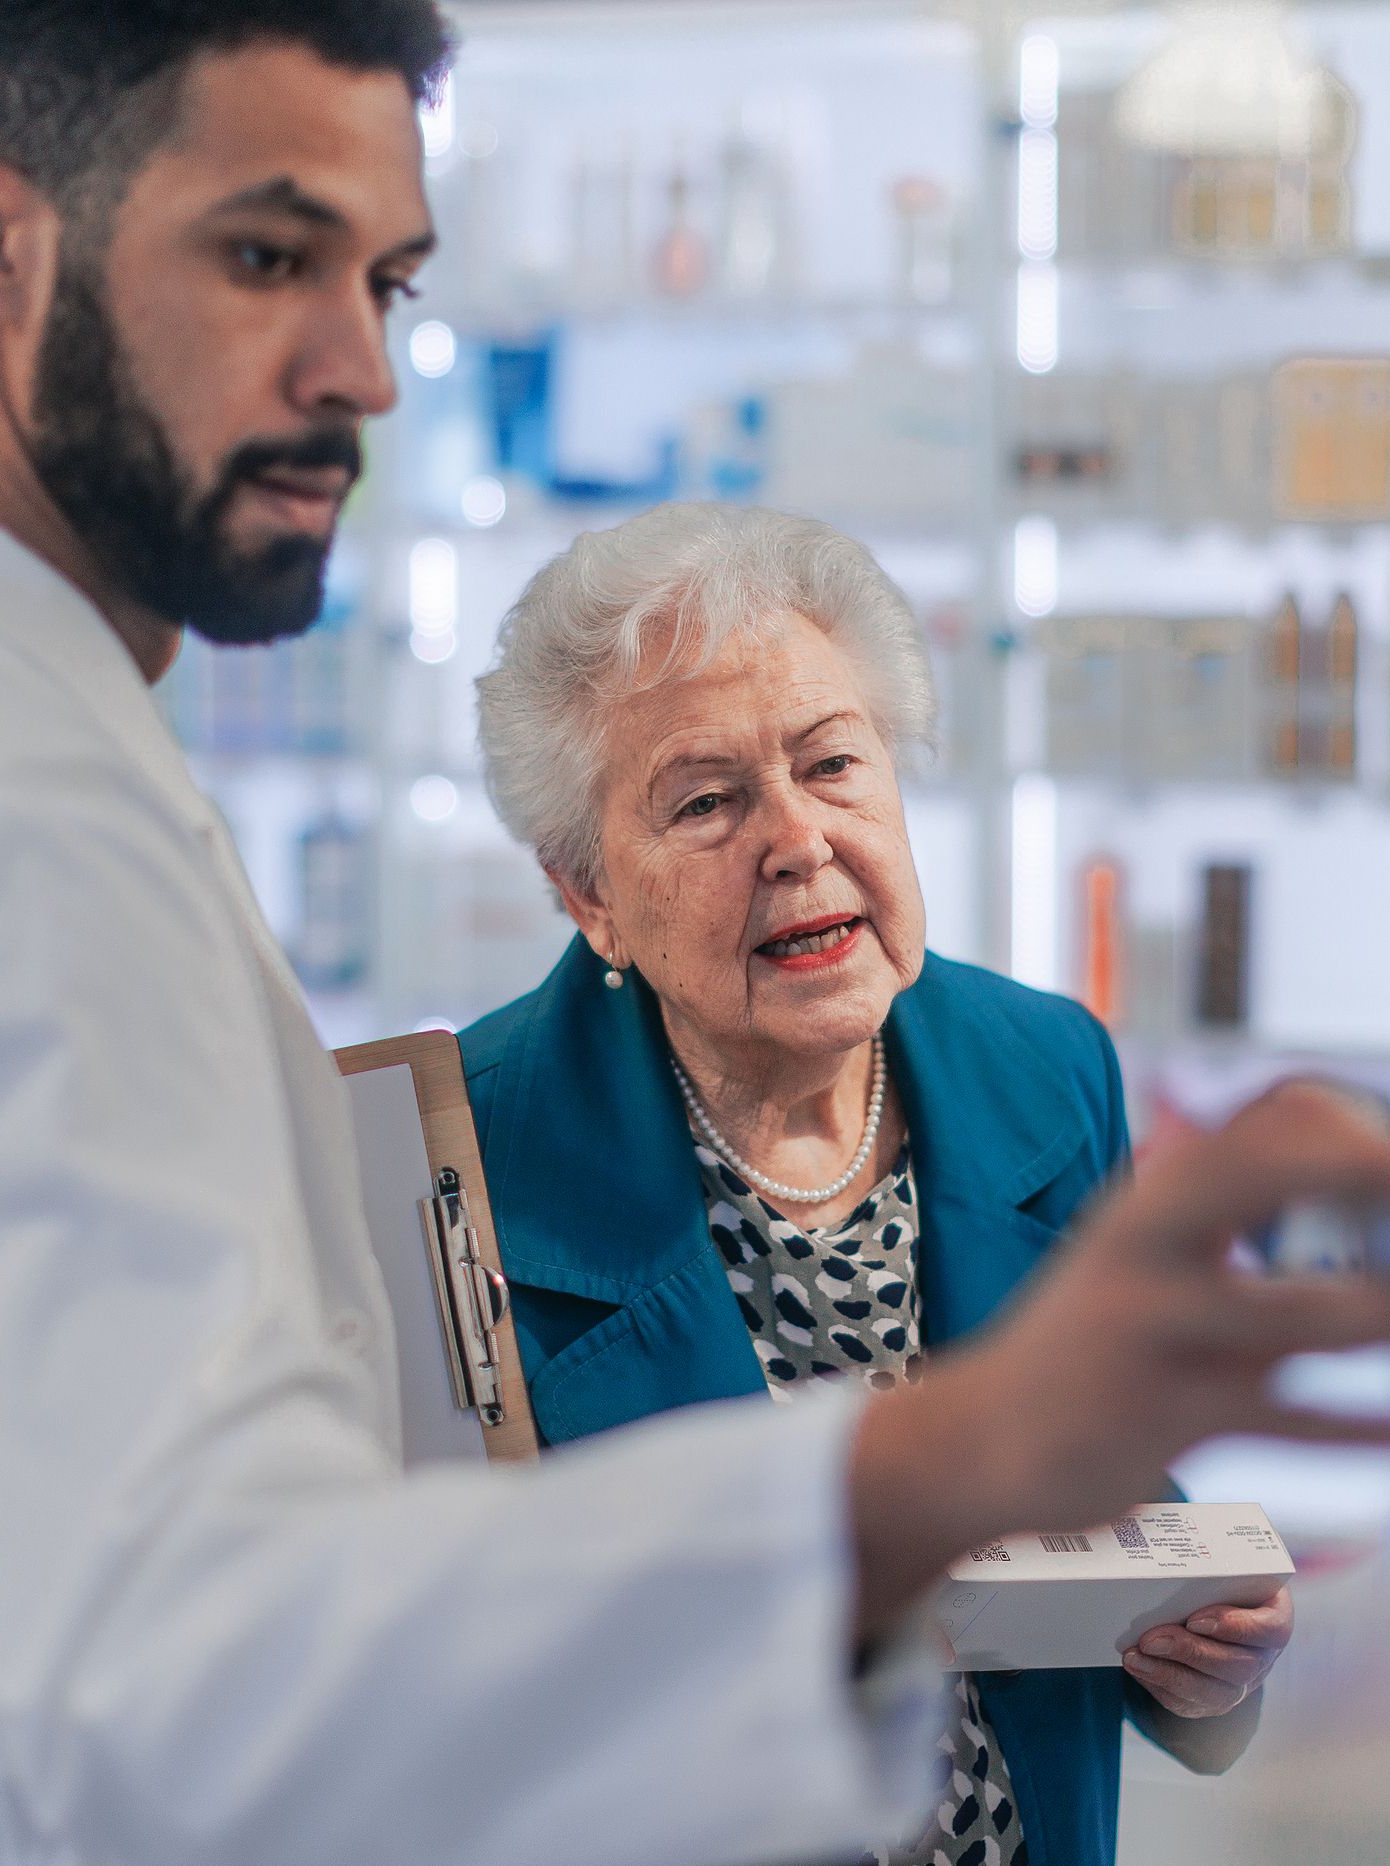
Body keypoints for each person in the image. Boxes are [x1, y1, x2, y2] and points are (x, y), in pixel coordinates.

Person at [0, 5, 1390, 1863]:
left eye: (386, 283)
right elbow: (200, 1675)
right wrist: (948, 1461)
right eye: (268, 256)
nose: (362, 369)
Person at [464, 504, 1278, 1866]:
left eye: (832, 763)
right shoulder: (467, 1158)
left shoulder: (1047, 1069)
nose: (797, 838)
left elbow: (1106, 1478)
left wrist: (1207, 1658)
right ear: (588, 894)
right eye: (708, 800)